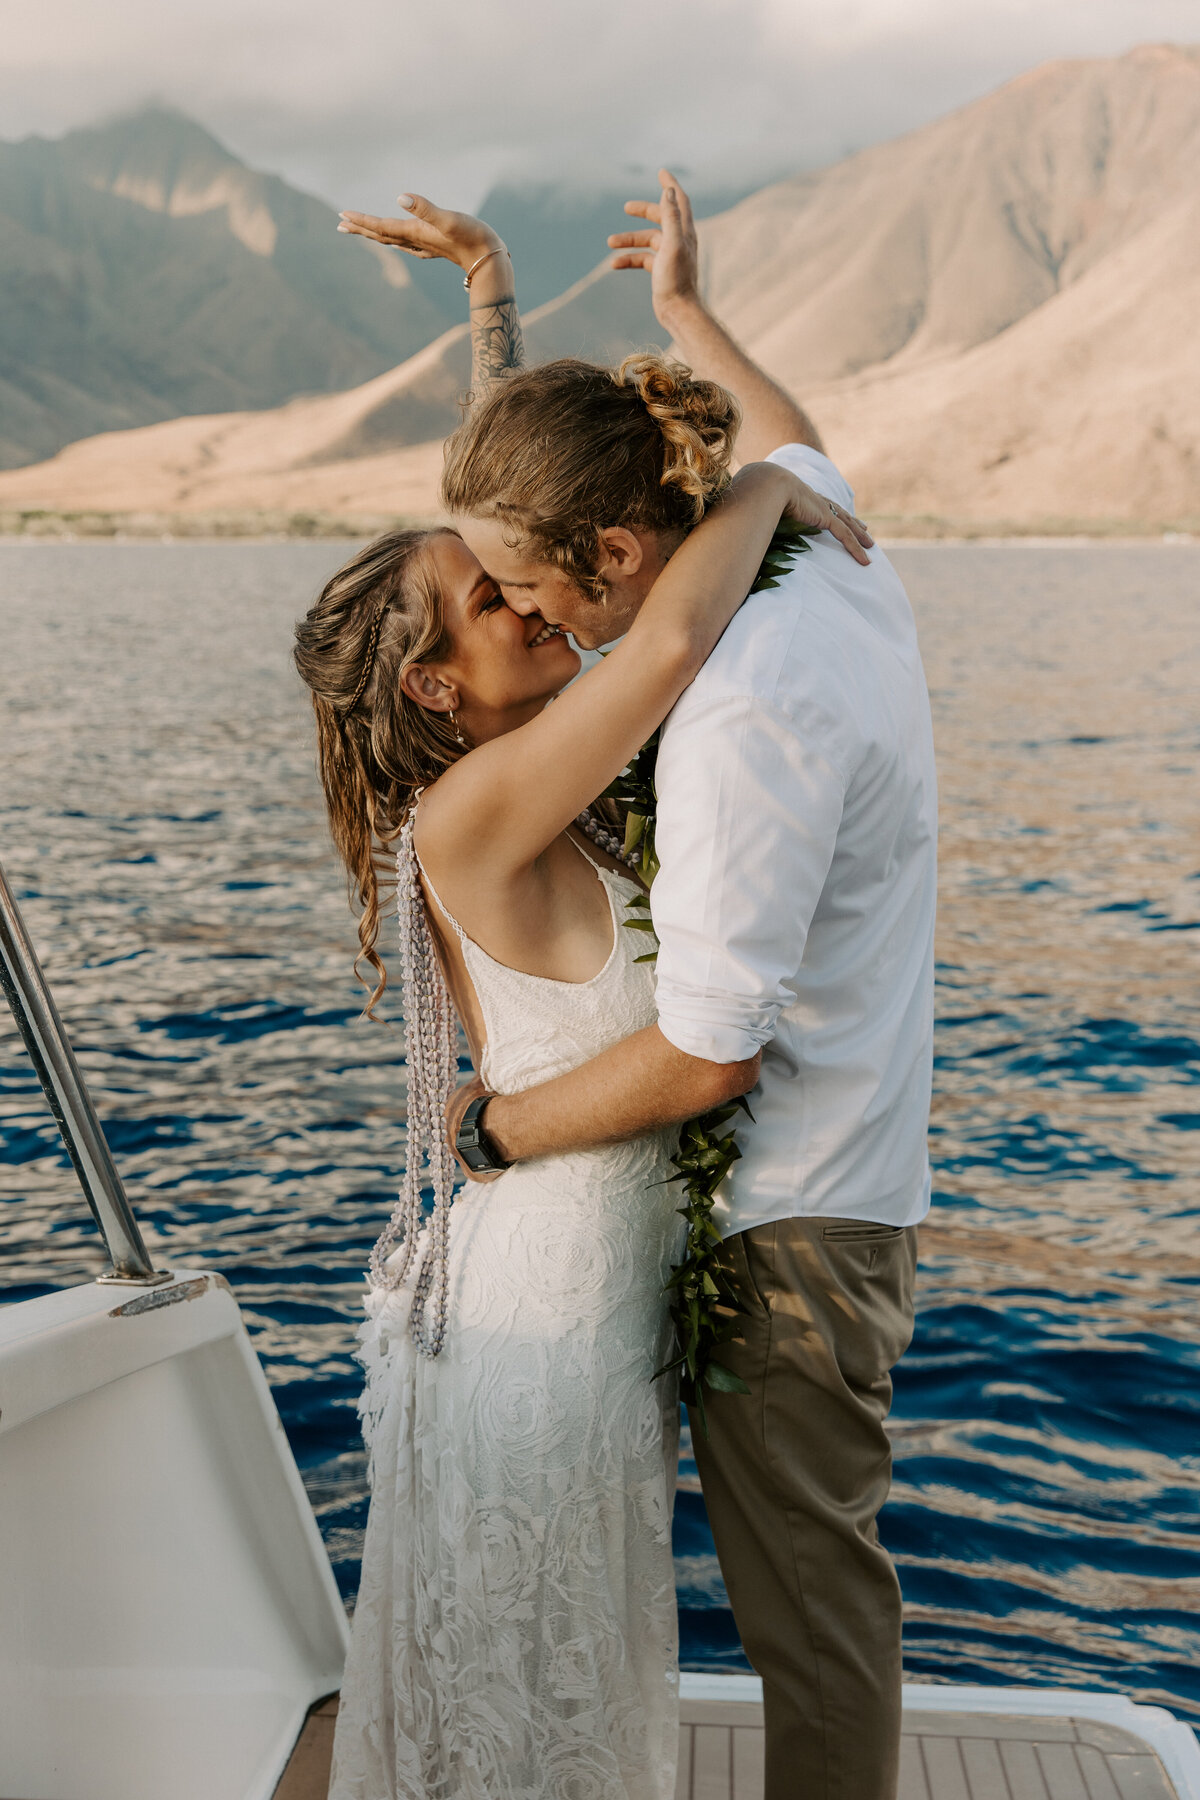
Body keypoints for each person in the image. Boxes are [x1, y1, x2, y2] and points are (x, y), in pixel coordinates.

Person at [299, 194, 871, 1800]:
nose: (528, 598)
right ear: (436, 689)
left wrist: (493, 296)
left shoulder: (551, 788)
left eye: (519, 580)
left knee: (547, 1663)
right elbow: (671, 620)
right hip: (541, 1303)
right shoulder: (473, 816)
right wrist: (775, 477)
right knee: (524, 1681)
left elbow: (532, 510)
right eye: (492, 606)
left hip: (587, 1284)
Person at [440, 174, 938, 1800]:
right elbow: (793, 442)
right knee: (815, 1595)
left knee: (812, 1622)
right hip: (850, 1176)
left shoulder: (731, 713)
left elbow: (712, 1051)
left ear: (625, 545)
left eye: (541, 583)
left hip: (786, 1222)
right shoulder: (831, 557)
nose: (535, 616)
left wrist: (497, 1136)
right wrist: (686, 324)